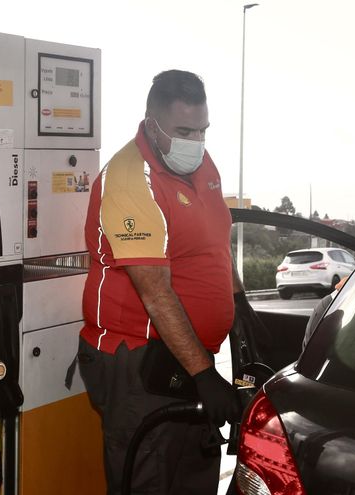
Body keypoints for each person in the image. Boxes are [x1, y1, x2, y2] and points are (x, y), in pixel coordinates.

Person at [77, 70, 243, 494]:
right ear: (152, 125)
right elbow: (154, 293)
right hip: (139, 361)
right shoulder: (130, 180)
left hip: (188, 356)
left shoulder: (201, 164)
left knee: (192, 475)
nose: (196, 142)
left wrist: (239, 306)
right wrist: (204, 375)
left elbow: (215, 244)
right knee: (149, 477)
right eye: (184, 131)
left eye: (202, 130)